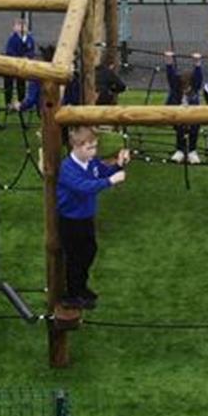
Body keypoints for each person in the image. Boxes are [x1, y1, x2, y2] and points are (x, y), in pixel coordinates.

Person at [55, 126, 129, 310]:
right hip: (70, 221)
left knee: (89, 252)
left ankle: (80, 287)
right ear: (77, 147)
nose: (94, 151)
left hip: (86, 217)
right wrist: (111, 181)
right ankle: (72, 294)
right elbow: (84, 187)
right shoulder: (67, 168)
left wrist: (118, 165)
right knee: (75, 258)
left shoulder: (91, 162)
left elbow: (103, 171)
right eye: (90, 148)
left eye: (95, 147)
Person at [164, 50, 204, 163]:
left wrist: (197, 62)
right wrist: (169, 61)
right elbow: (170, 76)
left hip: (193, 113)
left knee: (194, 130)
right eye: (184, 87)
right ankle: (180, 150)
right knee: (180, 130)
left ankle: (192, 151)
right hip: (178, 112)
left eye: (188, 88)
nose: (186, 90)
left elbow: (198, 76)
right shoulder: (176, 87)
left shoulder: (195, 86)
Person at [3, 18, 36, 108]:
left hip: (23, 65)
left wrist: (27, 57)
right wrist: (17, 58)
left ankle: (21, 101)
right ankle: (8, 102)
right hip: (12, 65)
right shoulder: (12, 39)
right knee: (8, 84)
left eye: (23, 25)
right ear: (14, 27)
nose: (21, 28)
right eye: (18, 25)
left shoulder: (29, 39)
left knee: (21, 84)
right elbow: (9, 51)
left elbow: (31, 51)